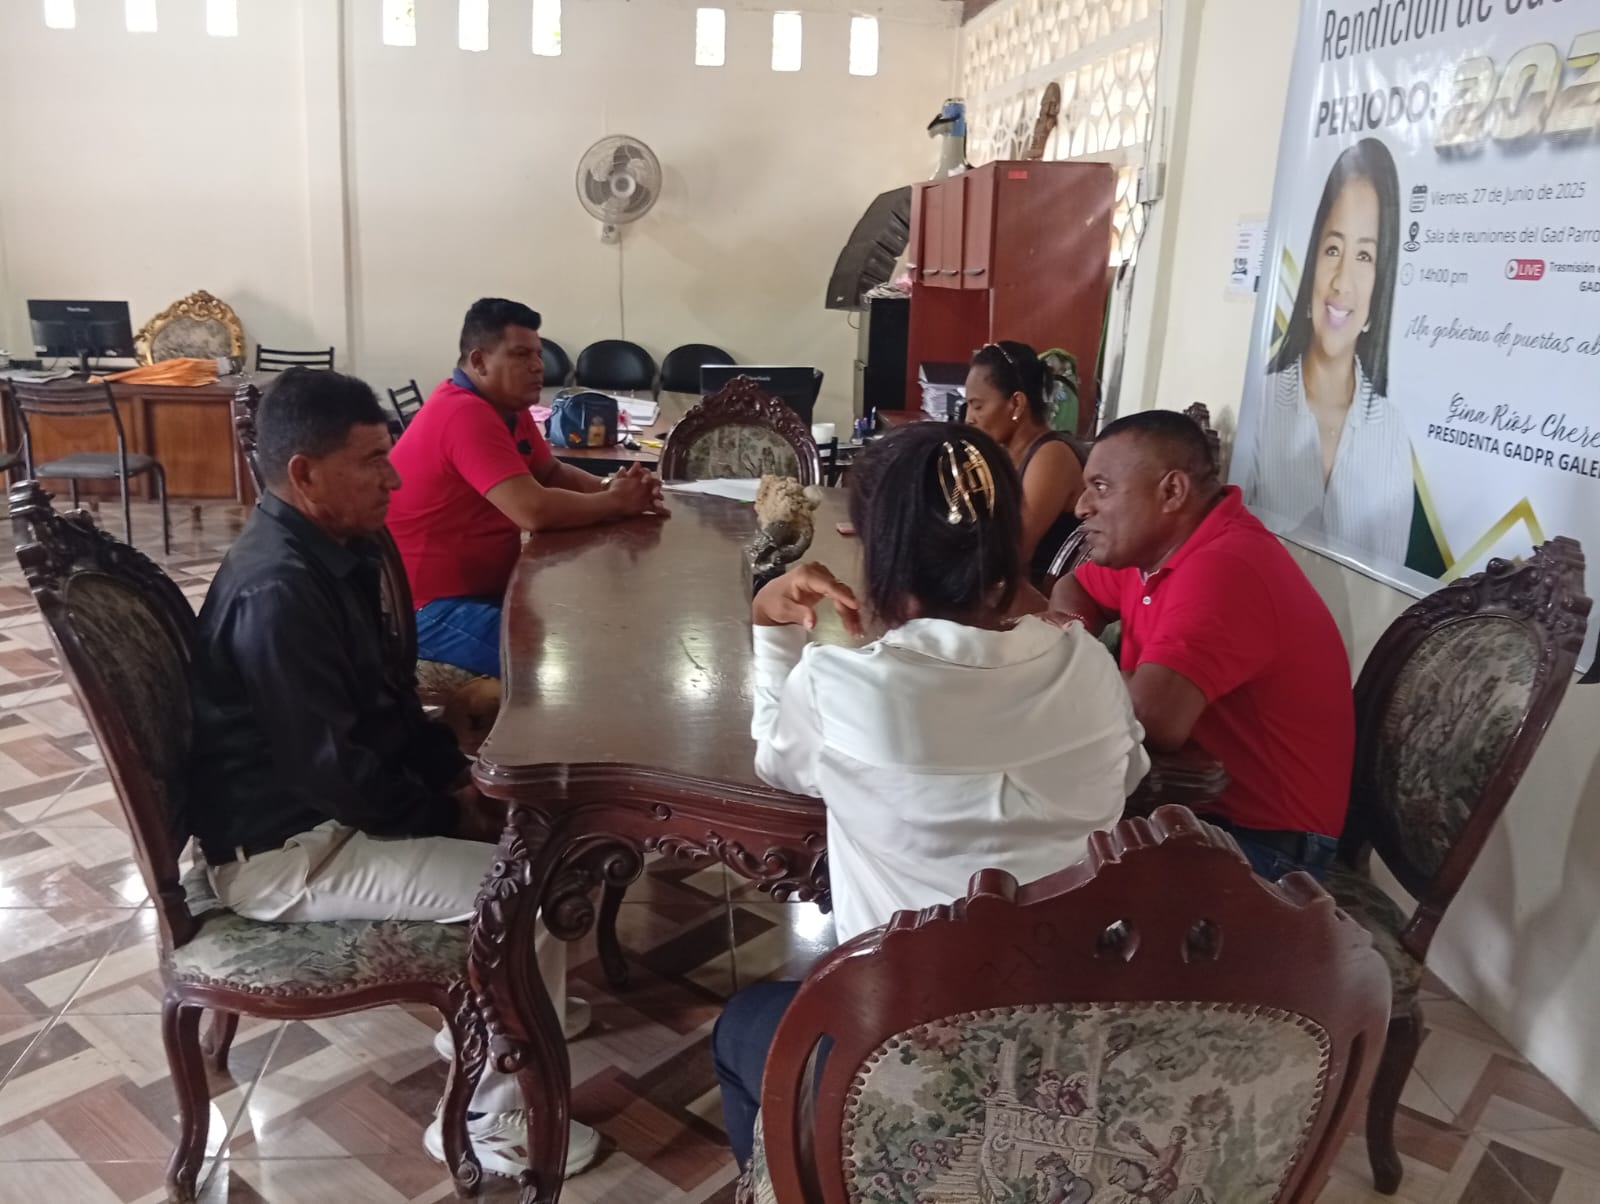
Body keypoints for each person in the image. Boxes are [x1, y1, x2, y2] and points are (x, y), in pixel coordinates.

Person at [188, 367, 601, 1181]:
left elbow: (384, 708)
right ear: (305, 473)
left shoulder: (329, 550)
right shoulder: (279, 589)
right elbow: (333, 772)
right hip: (288, 853)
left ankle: (492, 1012)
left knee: (532, 846)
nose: (395, 478)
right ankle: (496, 1121)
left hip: (325, 817)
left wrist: (455, 783)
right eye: (373, 461)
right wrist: (448, 813)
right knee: (525, 890)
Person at [711, 422, 1149, 1168]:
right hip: (1067, 1044)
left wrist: (769, 623)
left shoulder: (844, 686)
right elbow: (1128, 773)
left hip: (900, 1052)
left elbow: (777, 763)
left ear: (876, 553)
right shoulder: (1089, 667)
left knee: (741, 1030)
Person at [1047, 409, 1354, 882]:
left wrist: (1071, 664)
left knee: (1039, 866)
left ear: (1172, 491)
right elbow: (1075, 586)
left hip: (1267, 850)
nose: (1081, 506)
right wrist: (1075, 636)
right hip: (1188, 808)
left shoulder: (1224, 567)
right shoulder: (1154, 551)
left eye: (1101, 487)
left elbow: (1153, 718)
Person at [386, 298, 663, 678]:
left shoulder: (506, 407)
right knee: (559, 663)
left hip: (485, 588)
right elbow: (533, 510)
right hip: (430, 607)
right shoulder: (464, 413)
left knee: (599, 620)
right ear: (479, 361)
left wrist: (609, 486)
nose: (537, 365)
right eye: (520, 355)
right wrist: (616, 502)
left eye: (537, 354)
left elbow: (550, 472)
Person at [1236, 137, 1412, 563]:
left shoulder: (1391, 432)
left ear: (1382, 279)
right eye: (1333, 249)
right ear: (1312, 259)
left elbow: (1388, 582)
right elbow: (1234, 549)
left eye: (1365, 256)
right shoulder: (1262, 405)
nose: (1342, 281)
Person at [963, 339, 1086, 586]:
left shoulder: (1052, 456)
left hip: (1043, 597)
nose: (969, 419)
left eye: (978, 406)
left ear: (1017, 404)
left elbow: (1011, 553)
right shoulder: (1006, 455)